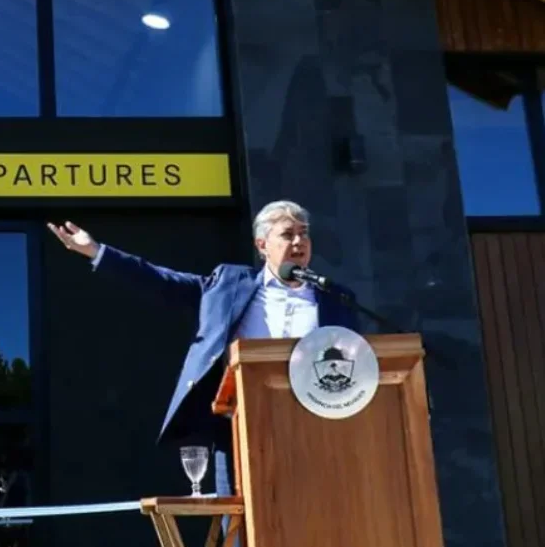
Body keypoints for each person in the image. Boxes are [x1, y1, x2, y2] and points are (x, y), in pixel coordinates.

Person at [47, 200, 362, 496]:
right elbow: (161, 281)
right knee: (241, 524)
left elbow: (357, 365)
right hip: (241, 429)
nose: (298, 242)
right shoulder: (229, 284)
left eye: (303, 234)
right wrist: (96, 251)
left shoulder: (335, 298)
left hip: (317, 429)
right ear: (262, 245)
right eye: (287, 234)